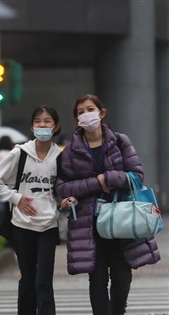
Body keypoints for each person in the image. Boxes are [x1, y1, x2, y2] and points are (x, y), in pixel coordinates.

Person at [56, 94, 160, 315]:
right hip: (89, 223)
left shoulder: (120, 141)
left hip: (121, 219)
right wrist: (97, 183)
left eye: (90, 109)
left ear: (101, 112)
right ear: (76, 119)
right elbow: (63, 187)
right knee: (98, 279)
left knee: (122, 277)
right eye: (81, 111)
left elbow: (137, 176)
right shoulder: (70, 152)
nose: (86, 114)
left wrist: (110, 179)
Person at [0, 106, 62, 315]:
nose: (42, 125)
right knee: (28, 278)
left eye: (47, 121)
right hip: (21, 224)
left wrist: (66, 199)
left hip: (49, 224)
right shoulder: (19, 153)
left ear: (55, 127)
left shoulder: (60, 157)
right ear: (32, 126)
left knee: (44, 280)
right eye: (38, 121)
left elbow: (64, 187)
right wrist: (16, 198)